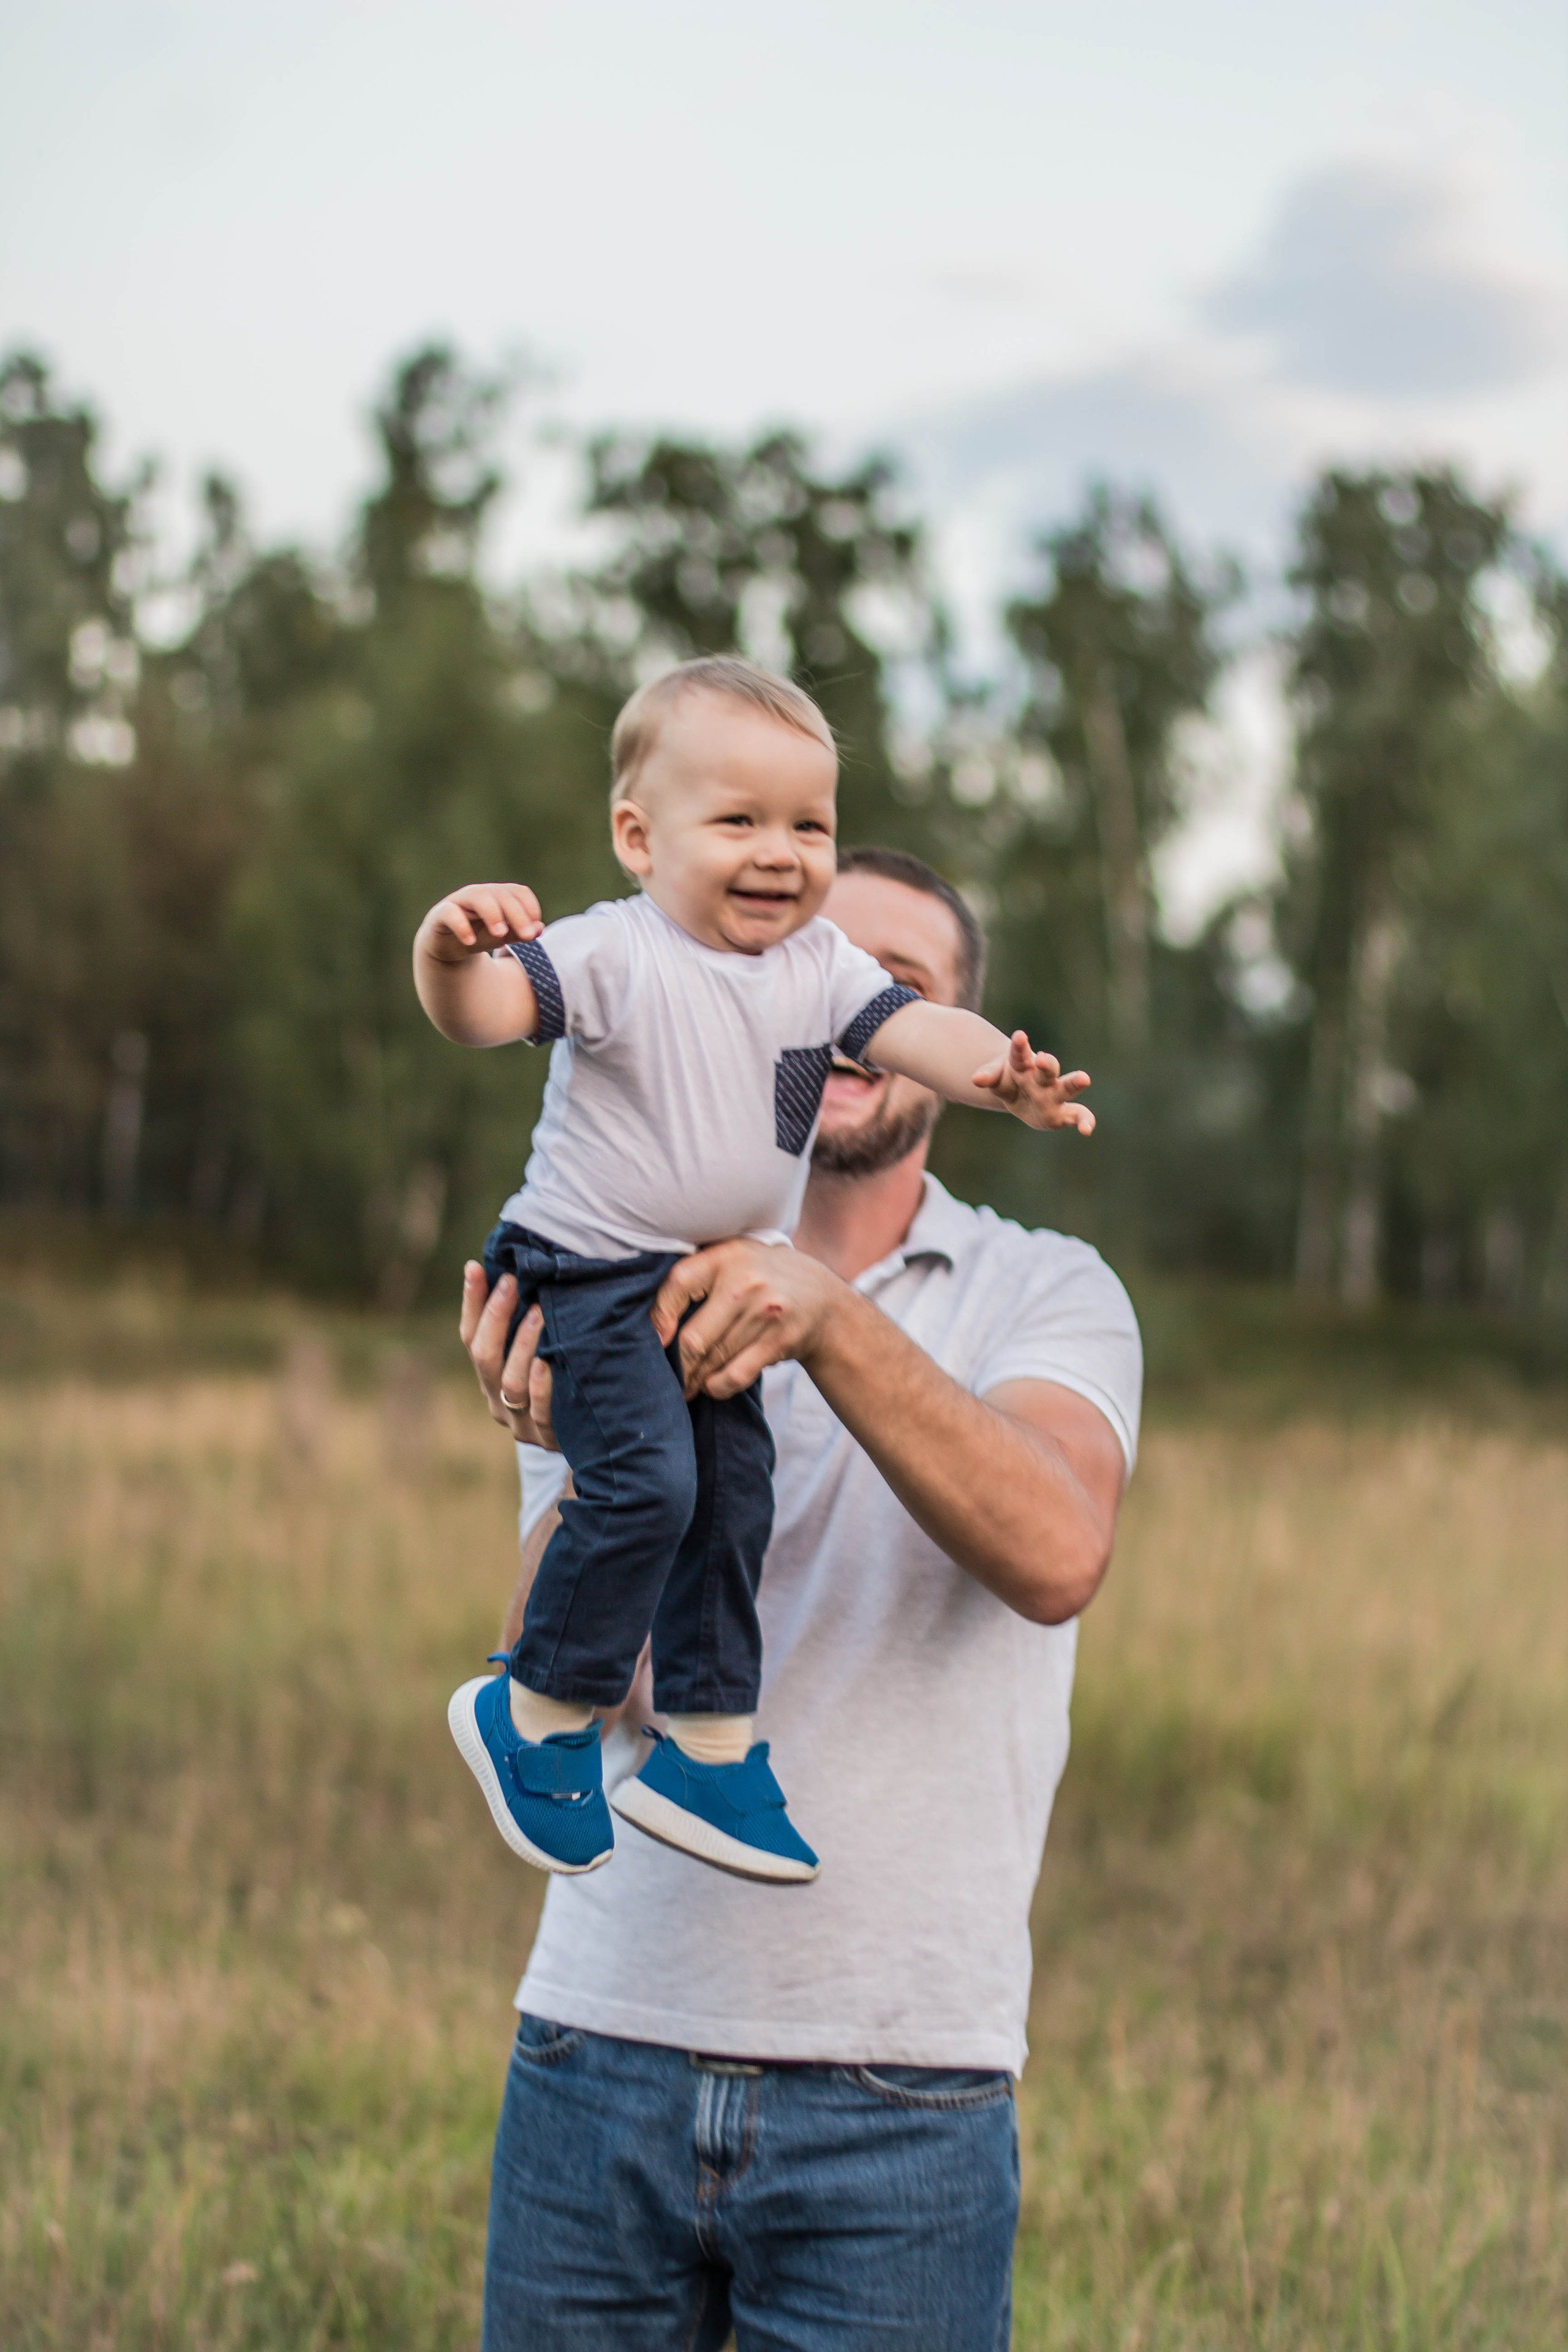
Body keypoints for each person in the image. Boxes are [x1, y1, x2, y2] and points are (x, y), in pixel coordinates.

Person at [460, 844, 1142, 2351]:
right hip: (599, 2046)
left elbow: (1054, 1553)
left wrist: (823, 1323)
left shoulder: (1043, 1290)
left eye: (898, 993)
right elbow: (605, 1682)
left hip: (901, 2090)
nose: (845, 1016)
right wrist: (579, 1450)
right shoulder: (608, 1269)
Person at [415, 657, 1095, 1883]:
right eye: (738, 820)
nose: (779, 851)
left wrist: (999, 1072)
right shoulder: (617, 952)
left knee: (731, 1499)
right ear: (637, 835)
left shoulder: (819, 975)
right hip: (585, 1274)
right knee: (652, 1489)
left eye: (808, 825)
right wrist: (449, 952)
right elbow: (483, 1016)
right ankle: (530, 1716)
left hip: (684, 1280)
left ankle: (710, 1751)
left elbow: (917, 1032)